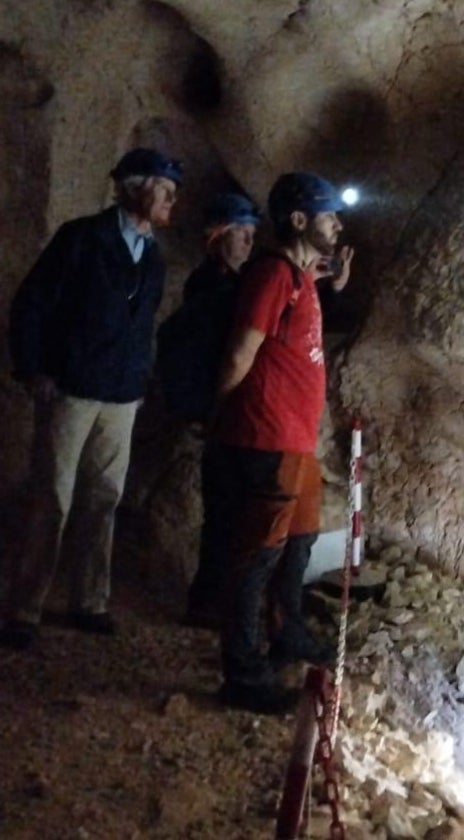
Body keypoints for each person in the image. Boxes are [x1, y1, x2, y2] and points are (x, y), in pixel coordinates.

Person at [1, 148, 182, 650]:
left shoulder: (154, 257)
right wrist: (34, 367)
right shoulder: (81, 239)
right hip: (73, 388)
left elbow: (144, 326)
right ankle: (24, 607)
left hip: (121, 394)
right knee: (51, 497)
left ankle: (90, 600)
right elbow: (32, 303)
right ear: (134, 187)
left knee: (103, 499)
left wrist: (140, 380)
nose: (172, 200)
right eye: (165, 189)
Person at [208, 172, 353, 713]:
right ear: (298, 220)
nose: (337, 224)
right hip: (264, 436)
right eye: (328, 214)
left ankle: (284, 632)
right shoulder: (272, 276)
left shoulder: (301, 279)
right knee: (255, 561)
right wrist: (221, 418)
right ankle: (243, 676)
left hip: (295, 442)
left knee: (296, 547)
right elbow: (240, 354)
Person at [174, 192, 262, 629]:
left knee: (229, 511)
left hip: (230, 411)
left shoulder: (226, 287)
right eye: (241, 234)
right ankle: (209, 601)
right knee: (224, 512)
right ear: (218, 238)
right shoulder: (210, 290)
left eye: (251, 235)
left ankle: (214, 599)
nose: (249, 242)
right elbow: (201, 355)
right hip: (221, 411)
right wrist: (203, 410)